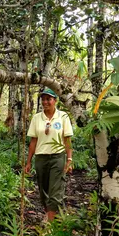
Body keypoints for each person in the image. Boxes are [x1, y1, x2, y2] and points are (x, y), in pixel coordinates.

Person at [25, 88, 73, 222]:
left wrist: (69, 159)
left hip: (58, 157)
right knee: (43, 191)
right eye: (43, 99)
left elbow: (67, 139)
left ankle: (51, 226)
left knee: (55, 191)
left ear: (55, 101)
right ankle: (52, 214)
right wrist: (28, 162)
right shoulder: (36, 118)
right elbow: (33, 141)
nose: (45, 102)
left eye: (48, 99)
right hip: (41, 158)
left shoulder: (63, 116)